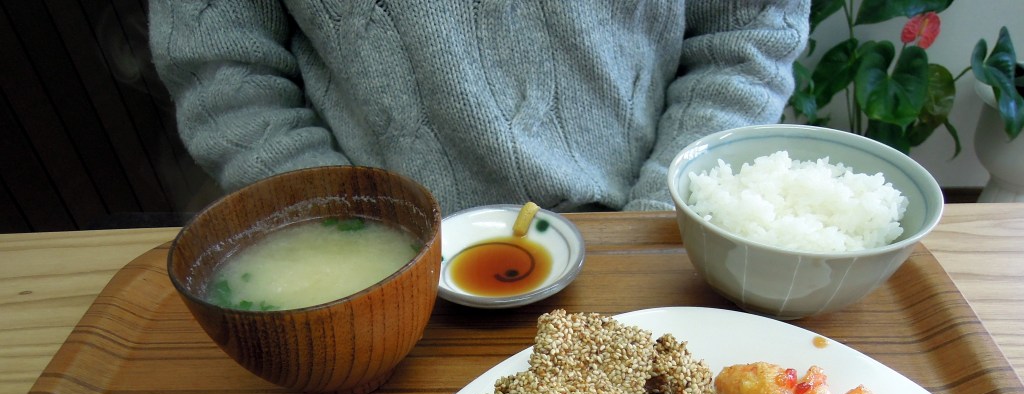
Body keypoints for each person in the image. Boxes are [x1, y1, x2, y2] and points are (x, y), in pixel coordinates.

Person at [148, 1, 809, 215]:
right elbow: (222, 65)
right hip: (378, 249)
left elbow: (746, 32)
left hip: (656, 226)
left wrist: (660, 223)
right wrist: (347, 234)